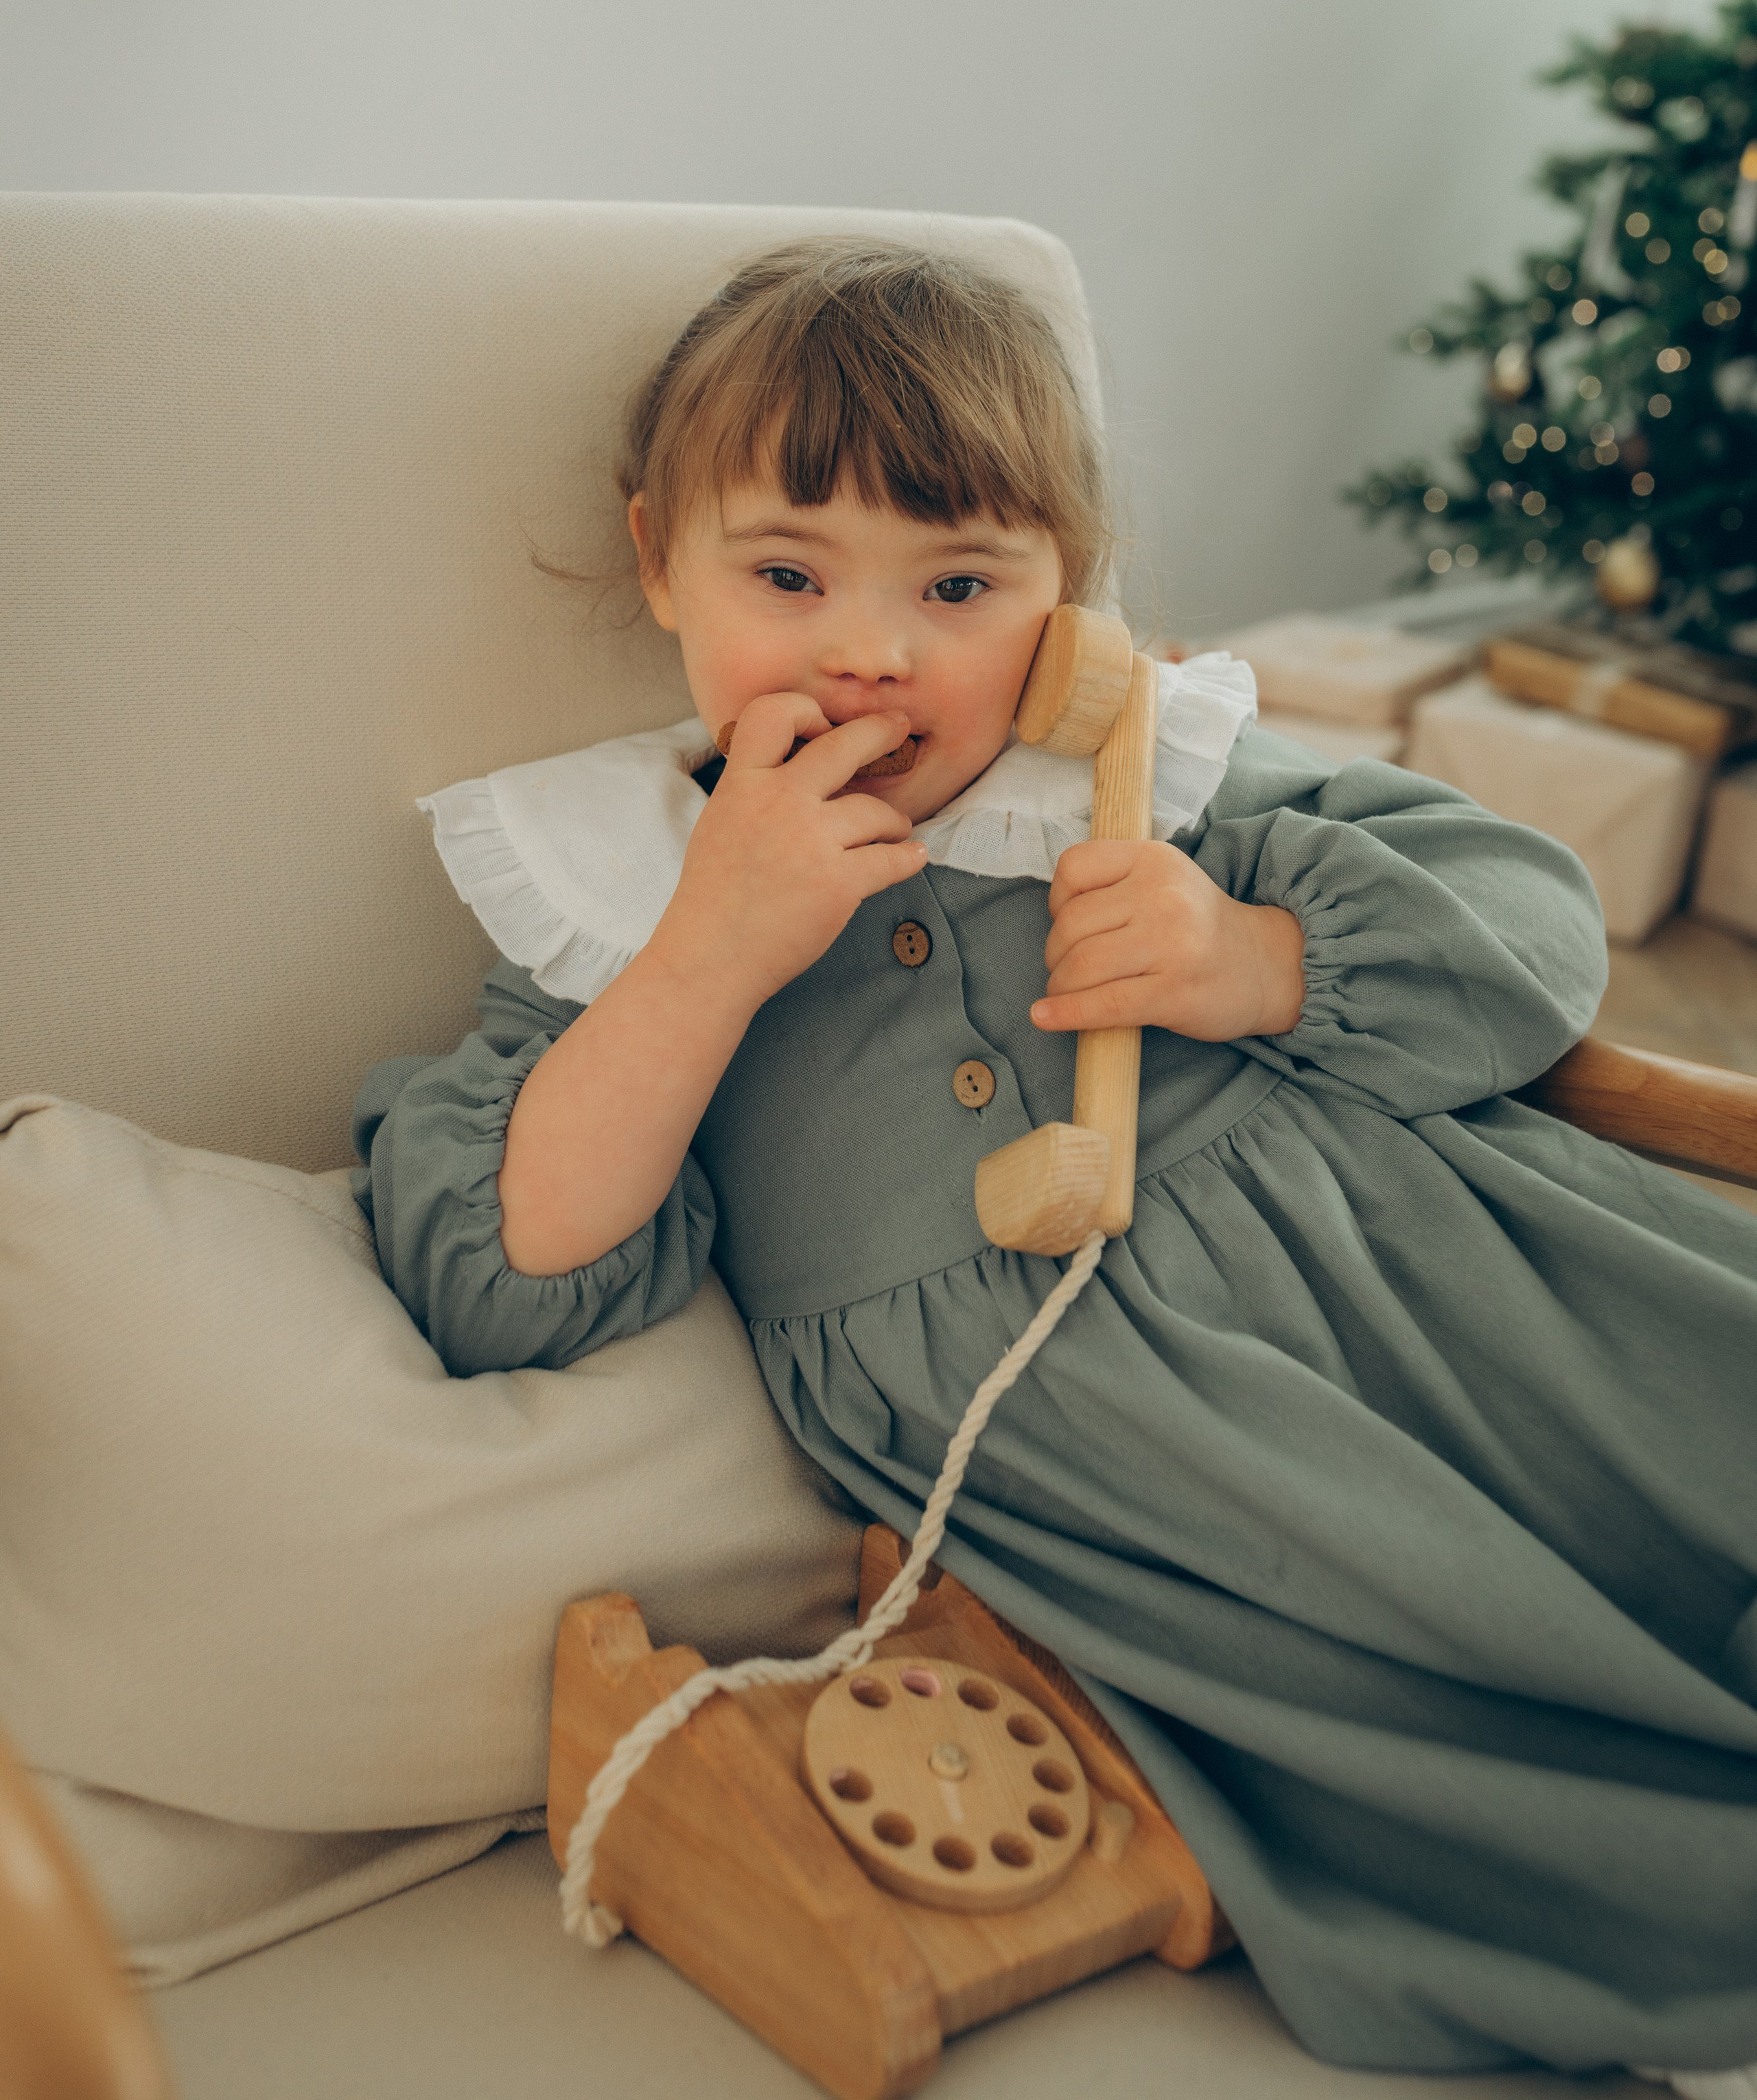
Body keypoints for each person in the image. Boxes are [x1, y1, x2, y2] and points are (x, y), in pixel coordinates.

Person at [355, 239, 1757, 2090]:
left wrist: (1253, 961)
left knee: (1685, 1460)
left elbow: (1524, 926)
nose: (872, 648)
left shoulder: (1146, 778)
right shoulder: (617, 902)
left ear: (1067, 599)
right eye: (787, 576)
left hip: (1424, 1272)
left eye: (961, 583)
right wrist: (713, 952)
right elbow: (510, 1264)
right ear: (657, 566)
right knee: (1479, 1736)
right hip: (1138, 1463)